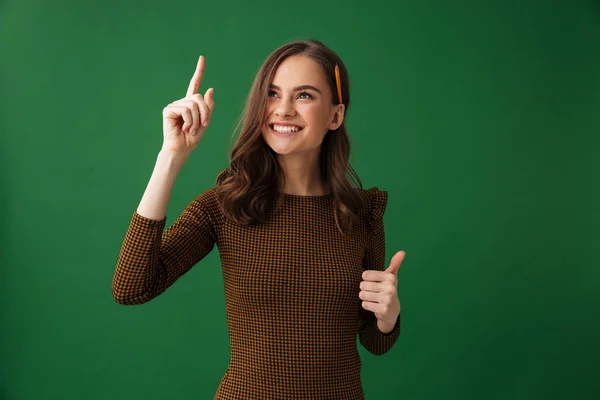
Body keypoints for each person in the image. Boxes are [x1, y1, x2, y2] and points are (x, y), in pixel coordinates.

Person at [112, 39, 405, 400]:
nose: (282, 109)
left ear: (335, 115)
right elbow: (131, 287)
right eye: (271, 93)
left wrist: (388, 316)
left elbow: (375, 342)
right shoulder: (225, 206)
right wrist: (170, 156)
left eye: (304, 96)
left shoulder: (361, 214)